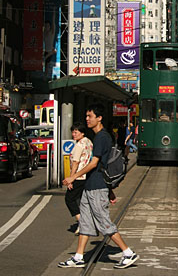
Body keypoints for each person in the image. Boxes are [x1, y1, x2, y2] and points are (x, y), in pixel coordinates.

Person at [58, 104, 139, 269]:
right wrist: (110, 191)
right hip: (91, 185)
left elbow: (95, 163)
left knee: (103, 222)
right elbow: (104, 165)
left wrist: (73, 176)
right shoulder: (97, 137)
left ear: (99, 118)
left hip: (96, 186)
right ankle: (79, 256)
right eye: (87, 116)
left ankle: (128, 253)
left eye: (90, 116)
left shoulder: (102, 137)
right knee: (86, 222)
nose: (87, 119)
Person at [65, 123, 93, 235]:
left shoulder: (79, 145)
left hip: (79, 176)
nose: (73, 134)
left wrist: (71, 178)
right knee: (81, 200)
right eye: (73, 132)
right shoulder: (89, 142)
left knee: (69, 199)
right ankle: (86, 222)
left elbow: (75, 162)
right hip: (87, 174)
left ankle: (82, 223)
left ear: (82, 133)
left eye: (76, 132)